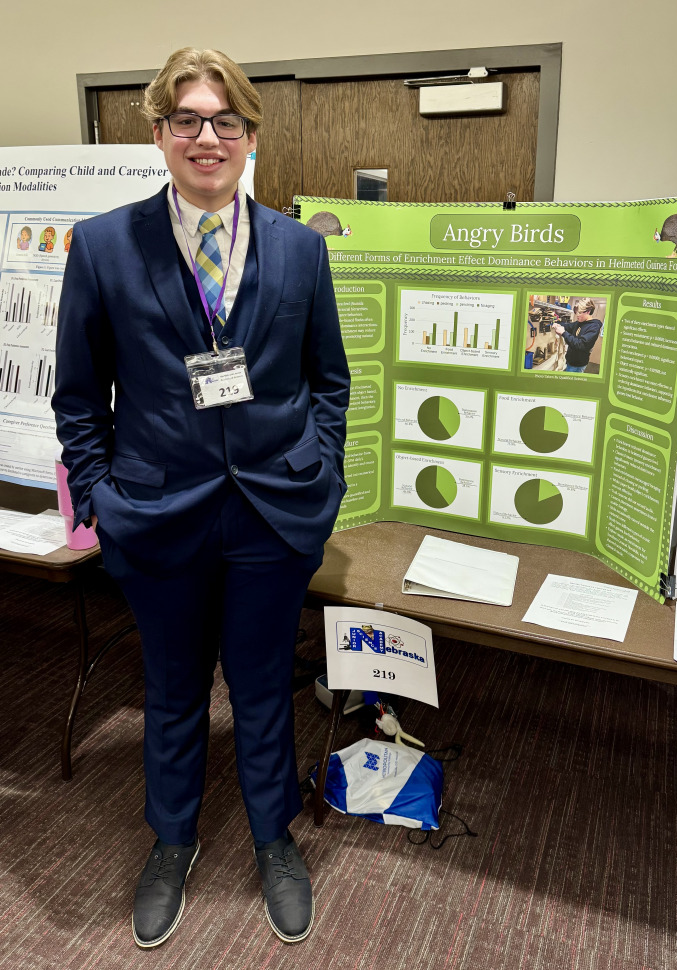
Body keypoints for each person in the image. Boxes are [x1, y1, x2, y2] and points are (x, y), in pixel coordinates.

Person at [52, 47, 349, 949]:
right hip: (156, 514)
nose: (207, 137)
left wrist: (322, 474)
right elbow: (78, 397)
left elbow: (329, 382)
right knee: (174, 689)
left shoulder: (300, 248)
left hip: (273, 515)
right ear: (159, 134)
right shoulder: (104, 246)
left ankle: (273, 837)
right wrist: (100, 498)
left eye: (226, 121)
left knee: (261, 688)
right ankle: (172, 839)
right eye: (187, 119)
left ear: (251, 136)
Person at [551, 297, 602, 373]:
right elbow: (568, 326)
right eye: (576, 312)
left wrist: (563, 333)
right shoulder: (579, 323)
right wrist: (557, 324)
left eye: (580, 312)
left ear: (588, 311)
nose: (577, 315)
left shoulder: (593, 327)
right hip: (570, 360)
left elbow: (580, 344)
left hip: (578, 365)